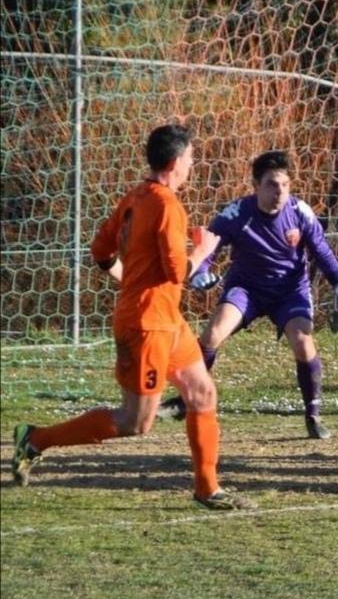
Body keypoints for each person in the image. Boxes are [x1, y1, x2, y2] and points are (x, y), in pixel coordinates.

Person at [11, 124, 253, 510]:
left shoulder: (135, 198)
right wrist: (203, 249)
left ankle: (209, 489)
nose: (193, 164)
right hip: (146, 325)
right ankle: (36, 439)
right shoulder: (167, 206)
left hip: (165, 318)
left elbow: (102, 252)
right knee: (136, 422)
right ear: (175, 162)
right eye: (191, 158)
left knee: (203, 392)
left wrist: (131, 282)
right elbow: (178, 272)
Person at [155, 151, 338, 440]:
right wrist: (200, 273)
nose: (279, 191)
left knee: (303, 342)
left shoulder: (300, 212)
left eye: (284, 184)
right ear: (256, 185)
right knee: (212, 335)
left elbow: (321, 251)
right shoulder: (236, 213)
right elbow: (209, 247)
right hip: (247, 289)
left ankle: (313, 415)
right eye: (271, 184)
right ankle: (186, 399)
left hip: (289, 291)